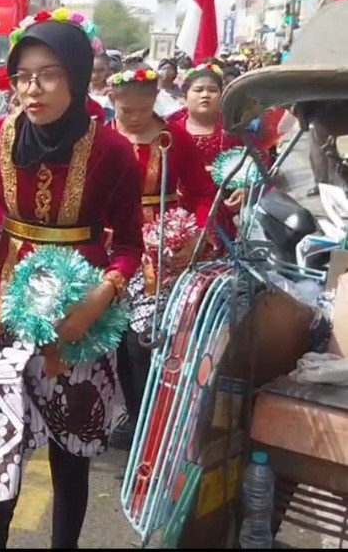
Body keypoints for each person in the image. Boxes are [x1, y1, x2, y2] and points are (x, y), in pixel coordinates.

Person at [0, 10, 144, 549]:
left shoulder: (112, 153)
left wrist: (100, 298)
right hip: (7, 315)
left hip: (81, 323)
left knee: (70, 458)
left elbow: (129, 244)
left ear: (78, 77)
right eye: (25, 75)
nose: (33, 89)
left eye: (49, 74)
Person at [106, 67, 229, 450]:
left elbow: (205, 192)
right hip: (110, 247)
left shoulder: (173, 138)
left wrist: (197, 233)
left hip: (159, 249)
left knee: (143, 339)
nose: (135, 117)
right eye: (127, 110)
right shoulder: (102, 138)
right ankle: (133, 410)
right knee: (115, 336)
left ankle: (151, 419)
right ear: (113, 102)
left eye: (143, 108)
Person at [168, 63, 252, 212]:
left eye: (212, 90)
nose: (205, 95)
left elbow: (258, 168)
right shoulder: (169, 131)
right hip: (176, 213)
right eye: (198, 90)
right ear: (185, 96)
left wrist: (246, 190)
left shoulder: (235, 131)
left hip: (223, 211)